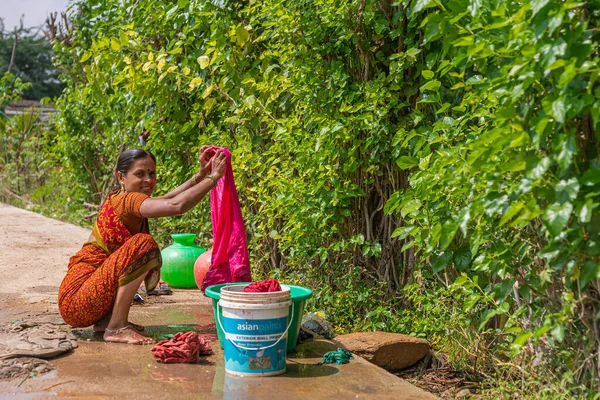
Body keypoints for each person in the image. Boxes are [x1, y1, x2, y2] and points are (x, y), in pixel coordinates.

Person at [58, 146, 226, 345]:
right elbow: (175, 205)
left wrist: (200, 175)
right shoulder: (128, 200)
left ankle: (106, 322)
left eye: (152, 173)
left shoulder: (125, 198)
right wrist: (213, 178)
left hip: (82, 302)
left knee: (137, 249)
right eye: (140, 174)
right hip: (78, 300)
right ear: (121, 177)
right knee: (143, 245)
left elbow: (167, 199)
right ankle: (117, 327)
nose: (148, 180)